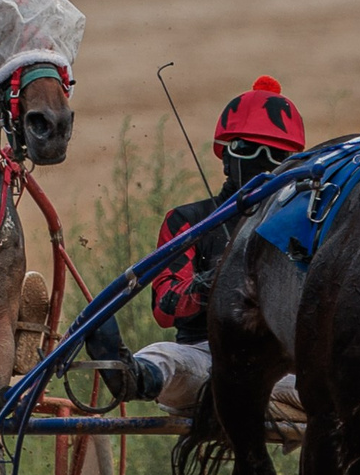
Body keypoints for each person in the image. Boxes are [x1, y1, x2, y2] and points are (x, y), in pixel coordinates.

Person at [87, 74, 306, 412]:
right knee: (166, 358)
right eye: (248, 149)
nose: (262, 161)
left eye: (277, 154)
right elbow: (164, 306)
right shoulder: (190, 221)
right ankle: (132, 376)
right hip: (203, 356)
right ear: (225, 156)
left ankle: (237, 400)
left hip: (280, 368)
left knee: (330, 382)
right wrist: (212, 284)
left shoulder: (302, 229)